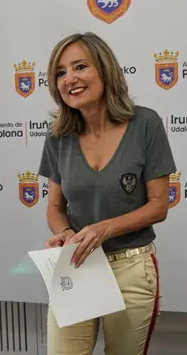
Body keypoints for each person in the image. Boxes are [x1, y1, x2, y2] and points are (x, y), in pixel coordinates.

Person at [38, 32, 176, 355]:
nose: (69, 78)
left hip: (131, 268)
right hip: (76, 265)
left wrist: (104, 229)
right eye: (60, 72)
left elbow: (159, 205)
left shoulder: (146, 124)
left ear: (105, 70)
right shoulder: (58, 134)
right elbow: (54, 208)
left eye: (80, 67)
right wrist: (66, 234)